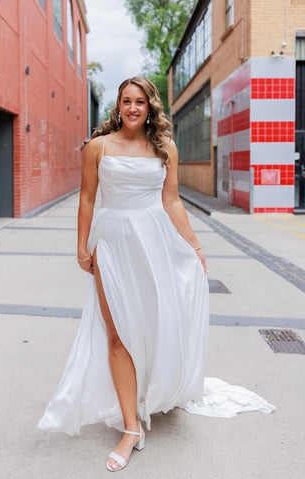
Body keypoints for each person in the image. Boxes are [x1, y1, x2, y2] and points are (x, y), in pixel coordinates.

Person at [37, 77, 275, 472]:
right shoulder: (98, 147)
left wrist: (195, 246)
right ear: (118, 106)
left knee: (150, 325)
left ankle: (148, 392)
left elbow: (172, 200)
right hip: (111, 244)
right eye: (126, 101)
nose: (133, 108)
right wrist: (82, 246)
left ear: (150, 107)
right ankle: (131, 428)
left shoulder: (165, 147)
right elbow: (87, 198)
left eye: (140, 101)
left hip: (155, 245)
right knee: (117, 335)